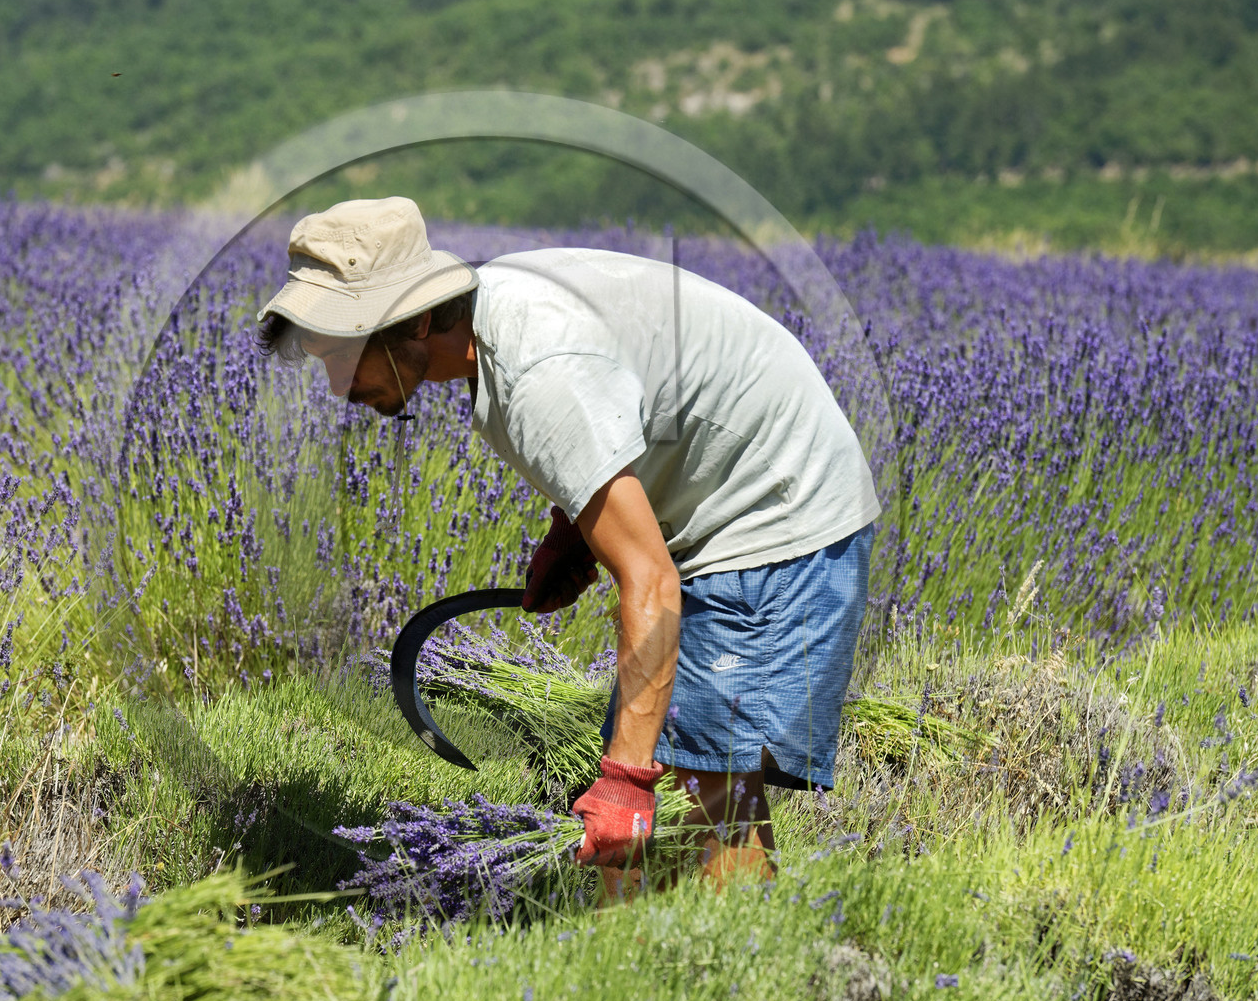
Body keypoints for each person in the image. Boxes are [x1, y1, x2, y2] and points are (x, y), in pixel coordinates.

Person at [256, 196, 879, 889]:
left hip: (775, 515)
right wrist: (574, 532)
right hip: (719, 498)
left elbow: (651, 580)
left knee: (706, 786)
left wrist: (624, 779)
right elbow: (623, 395)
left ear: (420, 318)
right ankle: (640, 973)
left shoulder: (535, 373)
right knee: (663, 785)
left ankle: (739, 969)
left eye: (345, 354)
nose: (339, 387)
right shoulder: (493, 320)